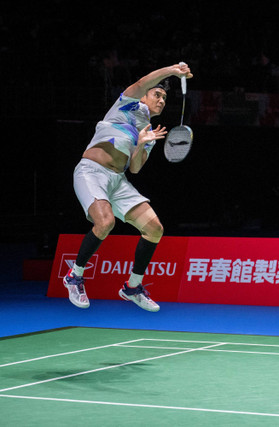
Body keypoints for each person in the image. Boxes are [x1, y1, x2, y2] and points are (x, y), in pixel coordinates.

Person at [63, 63, 193, 312]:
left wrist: (142, 143)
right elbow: (144, 80)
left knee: (154, 229)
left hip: (118, 180)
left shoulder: (150, 133)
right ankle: (74, 276)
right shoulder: (127, 104)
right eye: (158, 94)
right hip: (92, 172)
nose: (162, 100)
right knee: (105, 222)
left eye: (165, 98)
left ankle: (133, 287)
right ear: (144, 96)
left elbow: (135, 169)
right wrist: (174, 70)